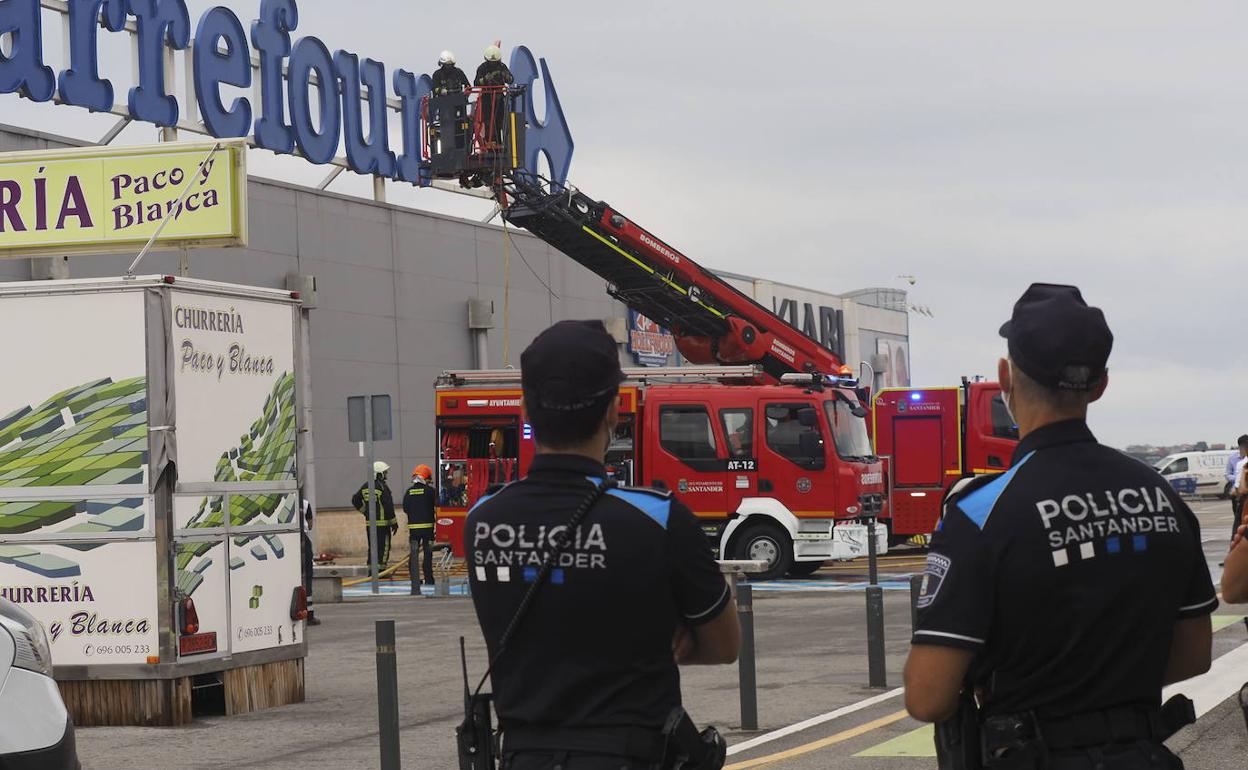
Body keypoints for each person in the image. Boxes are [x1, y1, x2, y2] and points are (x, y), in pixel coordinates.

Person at [903, 283, 1216, 769]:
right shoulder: (1163, 496)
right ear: (1101, 384)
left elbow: (928, 697)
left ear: (1005, 376)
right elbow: (1194, 655)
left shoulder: (979, 513)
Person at [466, 320, 740, 769]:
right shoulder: (657, 517)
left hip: (522, 755)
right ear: (614, 410)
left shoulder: (482, 519)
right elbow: (725, 646)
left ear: (526, 410)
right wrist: (659, 644)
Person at [352, 461, 397, 569]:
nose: (386, 475)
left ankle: (371, 570)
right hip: (383, 525)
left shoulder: (365, 486)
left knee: (372, 547)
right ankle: (381, 570)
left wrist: (365, 512)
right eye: (384, 473)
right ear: (379, 474)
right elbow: (388, 506)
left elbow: (355, 500)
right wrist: (394, 523)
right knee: (384, 547)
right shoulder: (382, 487)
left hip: (370, 524)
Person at [404, 464, 437, 595]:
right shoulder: (430, 491)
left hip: (414, 530)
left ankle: (414, 580)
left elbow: (406, 508)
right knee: (428, 554)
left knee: (414, 555)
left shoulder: (409, 492)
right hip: (428, 529)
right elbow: (436, 505)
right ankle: (429, 578)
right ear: (426, 478)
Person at [474, 41, 514, 145]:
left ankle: (500, 142)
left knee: (500, 120)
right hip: (487, 98)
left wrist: (505, 76)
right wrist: (485, 79)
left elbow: (511, 79)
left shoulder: (502, 67)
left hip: (499, 98)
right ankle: (489, 142)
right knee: (488, 121)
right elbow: (476, 82)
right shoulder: (482, 68)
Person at [299, 492, 321, 625]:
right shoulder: (305, 503)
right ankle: (309, 614)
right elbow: (310, 525)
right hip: (303, 541)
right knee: (307, 577)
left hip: (288, 541)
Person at [1229, 435, 1248, 541]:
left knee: (1239, 534)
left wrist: (1235, 491)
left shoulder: (1243, 465)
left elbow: (1241, 490)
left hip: (1244, 502)